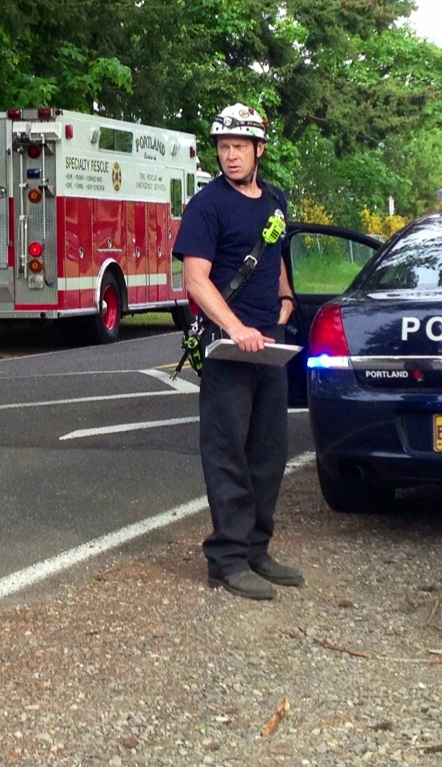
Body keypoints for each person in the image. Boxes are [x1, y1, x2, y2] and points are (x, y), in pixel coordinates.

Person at [173, 102, 300, 601]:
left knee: (269, 452)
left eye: (239, 147)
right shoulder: (207, 205)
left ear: (258, 150)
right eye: (224, 147)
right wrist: (237, 327)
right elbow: (195, 281)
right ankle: (225, 560)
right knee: (227, 453)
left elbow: (275, 258)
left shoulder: (275, 200)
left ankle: (255, 549)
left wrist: (287, 298)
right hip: (228, 347)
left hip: (270, 343)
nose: (230, 155)